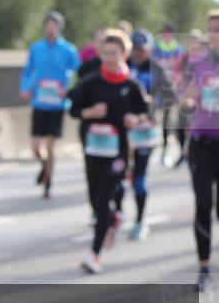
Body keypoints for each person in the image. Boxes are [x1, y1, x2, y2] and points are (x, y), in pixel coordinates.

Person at [68, 29, 149, 274]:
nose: (110, 58)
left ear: (124, 54)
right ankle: (113, 218)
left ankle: (94, 255)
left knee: (103, 199)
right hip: (93, 149)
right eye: (106, 54)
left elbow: (146, 113)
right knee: (95, 200)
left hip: (118, 153)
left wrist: (135, 119)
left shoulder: (131, 86)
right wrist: (90, 113)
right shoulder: (91, 83)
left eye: (115, 54)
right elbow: (73, 109)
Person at [116, 30, 176, 240]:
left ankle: (140, 221)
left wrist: (149, 110)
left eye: (142, 50)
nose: (139, 54)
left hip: (145, 131)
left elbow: (170, 96)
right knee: (118, 176)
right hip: (123, 129)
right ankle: (118, 214)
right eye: (136, 49)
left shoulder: (158, 69)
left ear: (149, 49)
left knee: (139, 179)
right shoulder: (122, 66)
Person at [19, 11, 80, 199]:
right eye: (47, 25)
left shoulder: (69, 50)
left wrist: (68, 90)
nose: (50, 29)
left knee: (51, 146)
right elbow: (29, 71)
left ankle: (48, 183)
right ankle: (45, 165)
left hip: (58, 104)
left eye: (54, 26)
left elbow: (79, 73)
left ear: (59, 28)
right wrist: (25, 88)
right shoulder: (36, 48)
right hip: (40, 101)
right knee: (36, 146)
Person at [180, 12, 219, 292]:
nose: (214, 35)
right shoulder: (197, 65)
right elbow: (185, 104)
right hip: (201, 143)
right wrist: (190, 100)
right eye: (211, 30)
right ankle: (204, 268)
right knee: (203, 204)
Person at [154, 22, 187, 166]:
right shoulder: (156, 49)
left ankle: (182, 153)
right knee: (165, 123)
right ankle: (164, 153)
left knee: (180, 123)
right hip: (163, 91)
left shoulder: (179, 49)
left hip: (178, 90)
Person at [177, 29, 208, 166]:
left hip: (203, 101)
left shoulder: (206, 60)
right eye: (191, 42)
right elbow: (178, 76)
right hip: (186, 97)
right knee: (182, 126)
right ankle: (184, 152)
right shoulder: (184, 58)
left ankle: (188, 153)